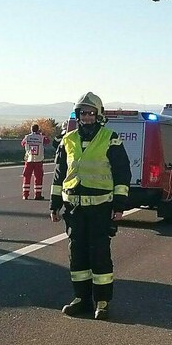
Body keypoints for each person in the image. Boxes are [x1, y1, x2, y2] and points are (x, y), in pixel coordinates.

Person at [49, 92, 131, 320]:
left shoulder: (110, 138)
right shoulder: (68, 140)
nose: (86, 117)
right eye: (82, 113)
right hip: (74, 210)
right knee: (77, 256)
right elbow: (59, 175)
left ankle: (102, 301)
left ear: (99, 115)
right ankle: (81, 299)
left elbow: (122, 173)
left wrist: (119, 205)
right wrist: (54, 204)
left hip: (100, 209)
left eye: (90, 113)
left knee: (99, 255)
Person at [21, 124, 49, 200]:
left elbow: (22, 144)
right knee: (38, 177)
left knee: (26, 177)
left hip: (29, 160)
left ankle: (25, 195)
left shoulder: (27, 137)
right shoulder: (41, 137)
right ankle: (38, 195)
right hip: (38, 160)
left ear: (31, 129)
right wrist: (42, 134)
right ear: (38, 129)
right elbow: (47, 141)